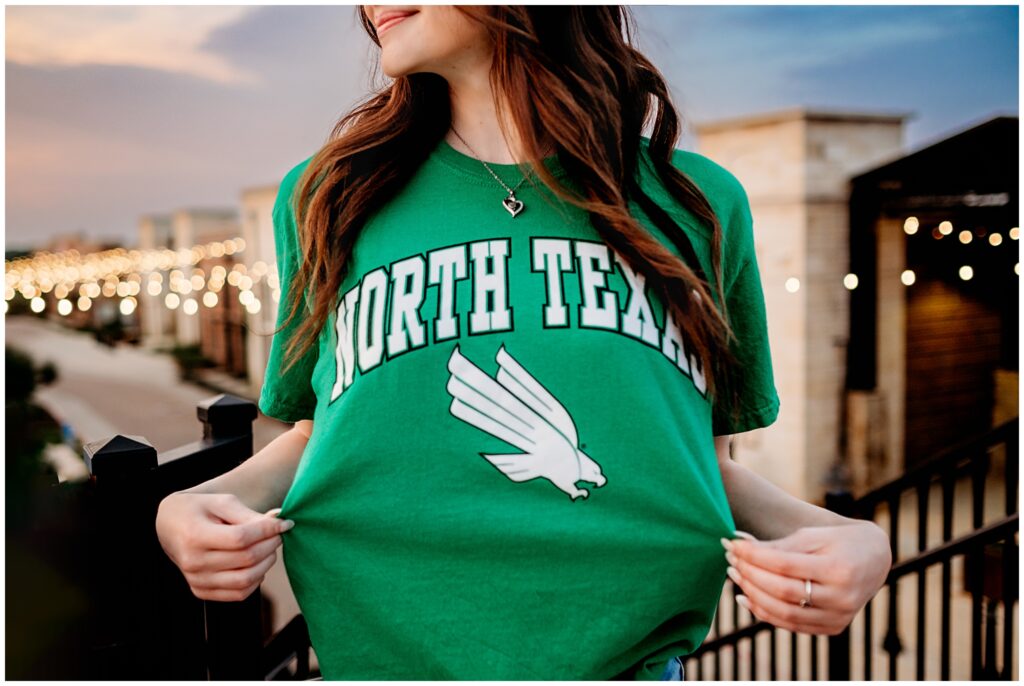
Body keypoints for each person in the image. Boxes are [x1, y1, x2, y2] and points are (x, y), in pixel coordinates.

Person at [155, 5, 892, 680]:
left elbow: (695, 464)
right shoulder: (329, 196)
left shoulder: (697, 204)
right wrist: (189, 506)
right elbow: (323, 439)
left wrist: (857, 542)